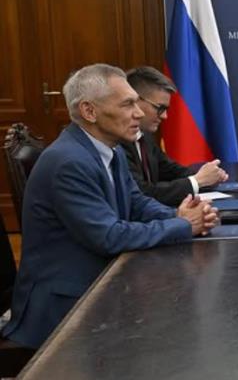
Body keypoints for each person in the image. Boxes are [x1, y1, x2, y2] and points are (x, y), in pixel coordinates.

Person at [2, 64, 219, 349]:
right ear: (89, 111)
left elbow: (137, 203)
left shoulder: (109, 149)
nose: (139, 113)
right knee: (180, 332)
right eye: (128, 104)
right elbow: (108, 236)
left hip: (101, 283)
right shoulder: (68, 162)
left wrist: (179, 215)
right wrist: (182, 225)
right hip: (66, 306)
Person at [122, 67, 229, 206]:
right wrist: (197, 181)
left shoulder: (144, 136)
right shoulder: (117, 142)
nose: (164, 116)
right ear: (134, 101)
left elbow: (169, 170)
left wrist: (207, 175)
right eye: (159, 108)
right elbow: (143, 193)